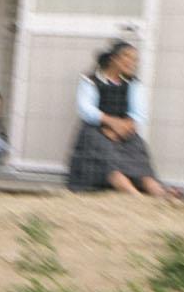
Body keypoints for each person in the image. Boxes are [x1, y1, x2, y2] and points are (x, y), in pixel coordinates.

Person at [67, 39, 173, 198]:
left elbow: (139, 112)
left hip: (125, 130)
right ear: (114, 59)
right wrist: (111, 123)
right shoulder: (91, 81)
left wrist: (123, 128)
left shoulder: (133, 84)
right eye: (127, 57)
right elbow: (86, 109)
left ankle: (158, 192)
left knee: (140, 162)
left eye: (135, 59)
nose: (132, 62)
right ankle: (135, 196)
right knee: (110, 164)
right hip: (96, 130)